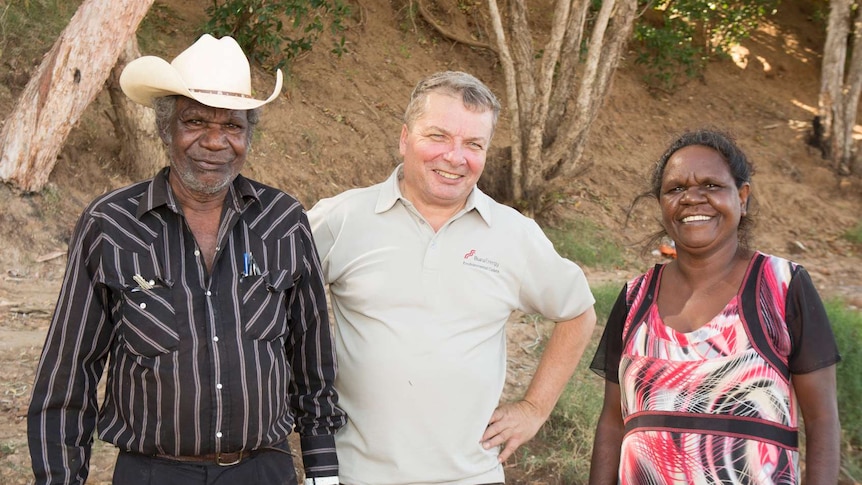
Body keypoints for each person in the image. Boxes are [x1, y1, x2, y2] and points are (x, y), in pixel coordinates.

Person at [27, 34, 345, 485]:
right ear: (165, 129)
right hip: (152, 472)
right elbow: (68, 376)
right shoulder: (111, 224)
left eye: (233, 126)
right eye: (194, 121)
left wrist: (323, 471)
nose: (215, 142)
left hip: (263, 471)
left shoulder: (284, 220)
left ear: (248, 135)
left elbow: (313, 360)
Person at [308, 70, 598, 485]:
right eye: (438, 136)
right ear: (405, 138)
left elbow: (578, 312)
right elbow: (266, 292)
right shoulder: (342, 219)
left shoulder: (514, 234)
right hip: (357, 474)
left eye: (473, 144)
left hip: (471, 476)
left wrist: (535, 408)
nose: (455, 157)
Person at [588, 129, 841, 485]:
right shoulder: (634, 298)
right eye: (675, 189)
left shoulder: (782, 286)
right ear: (661, 203)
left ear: (743, 197)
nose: (692, 198)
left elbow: (822, 421)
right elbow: (613, 423)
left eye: (710, 185)